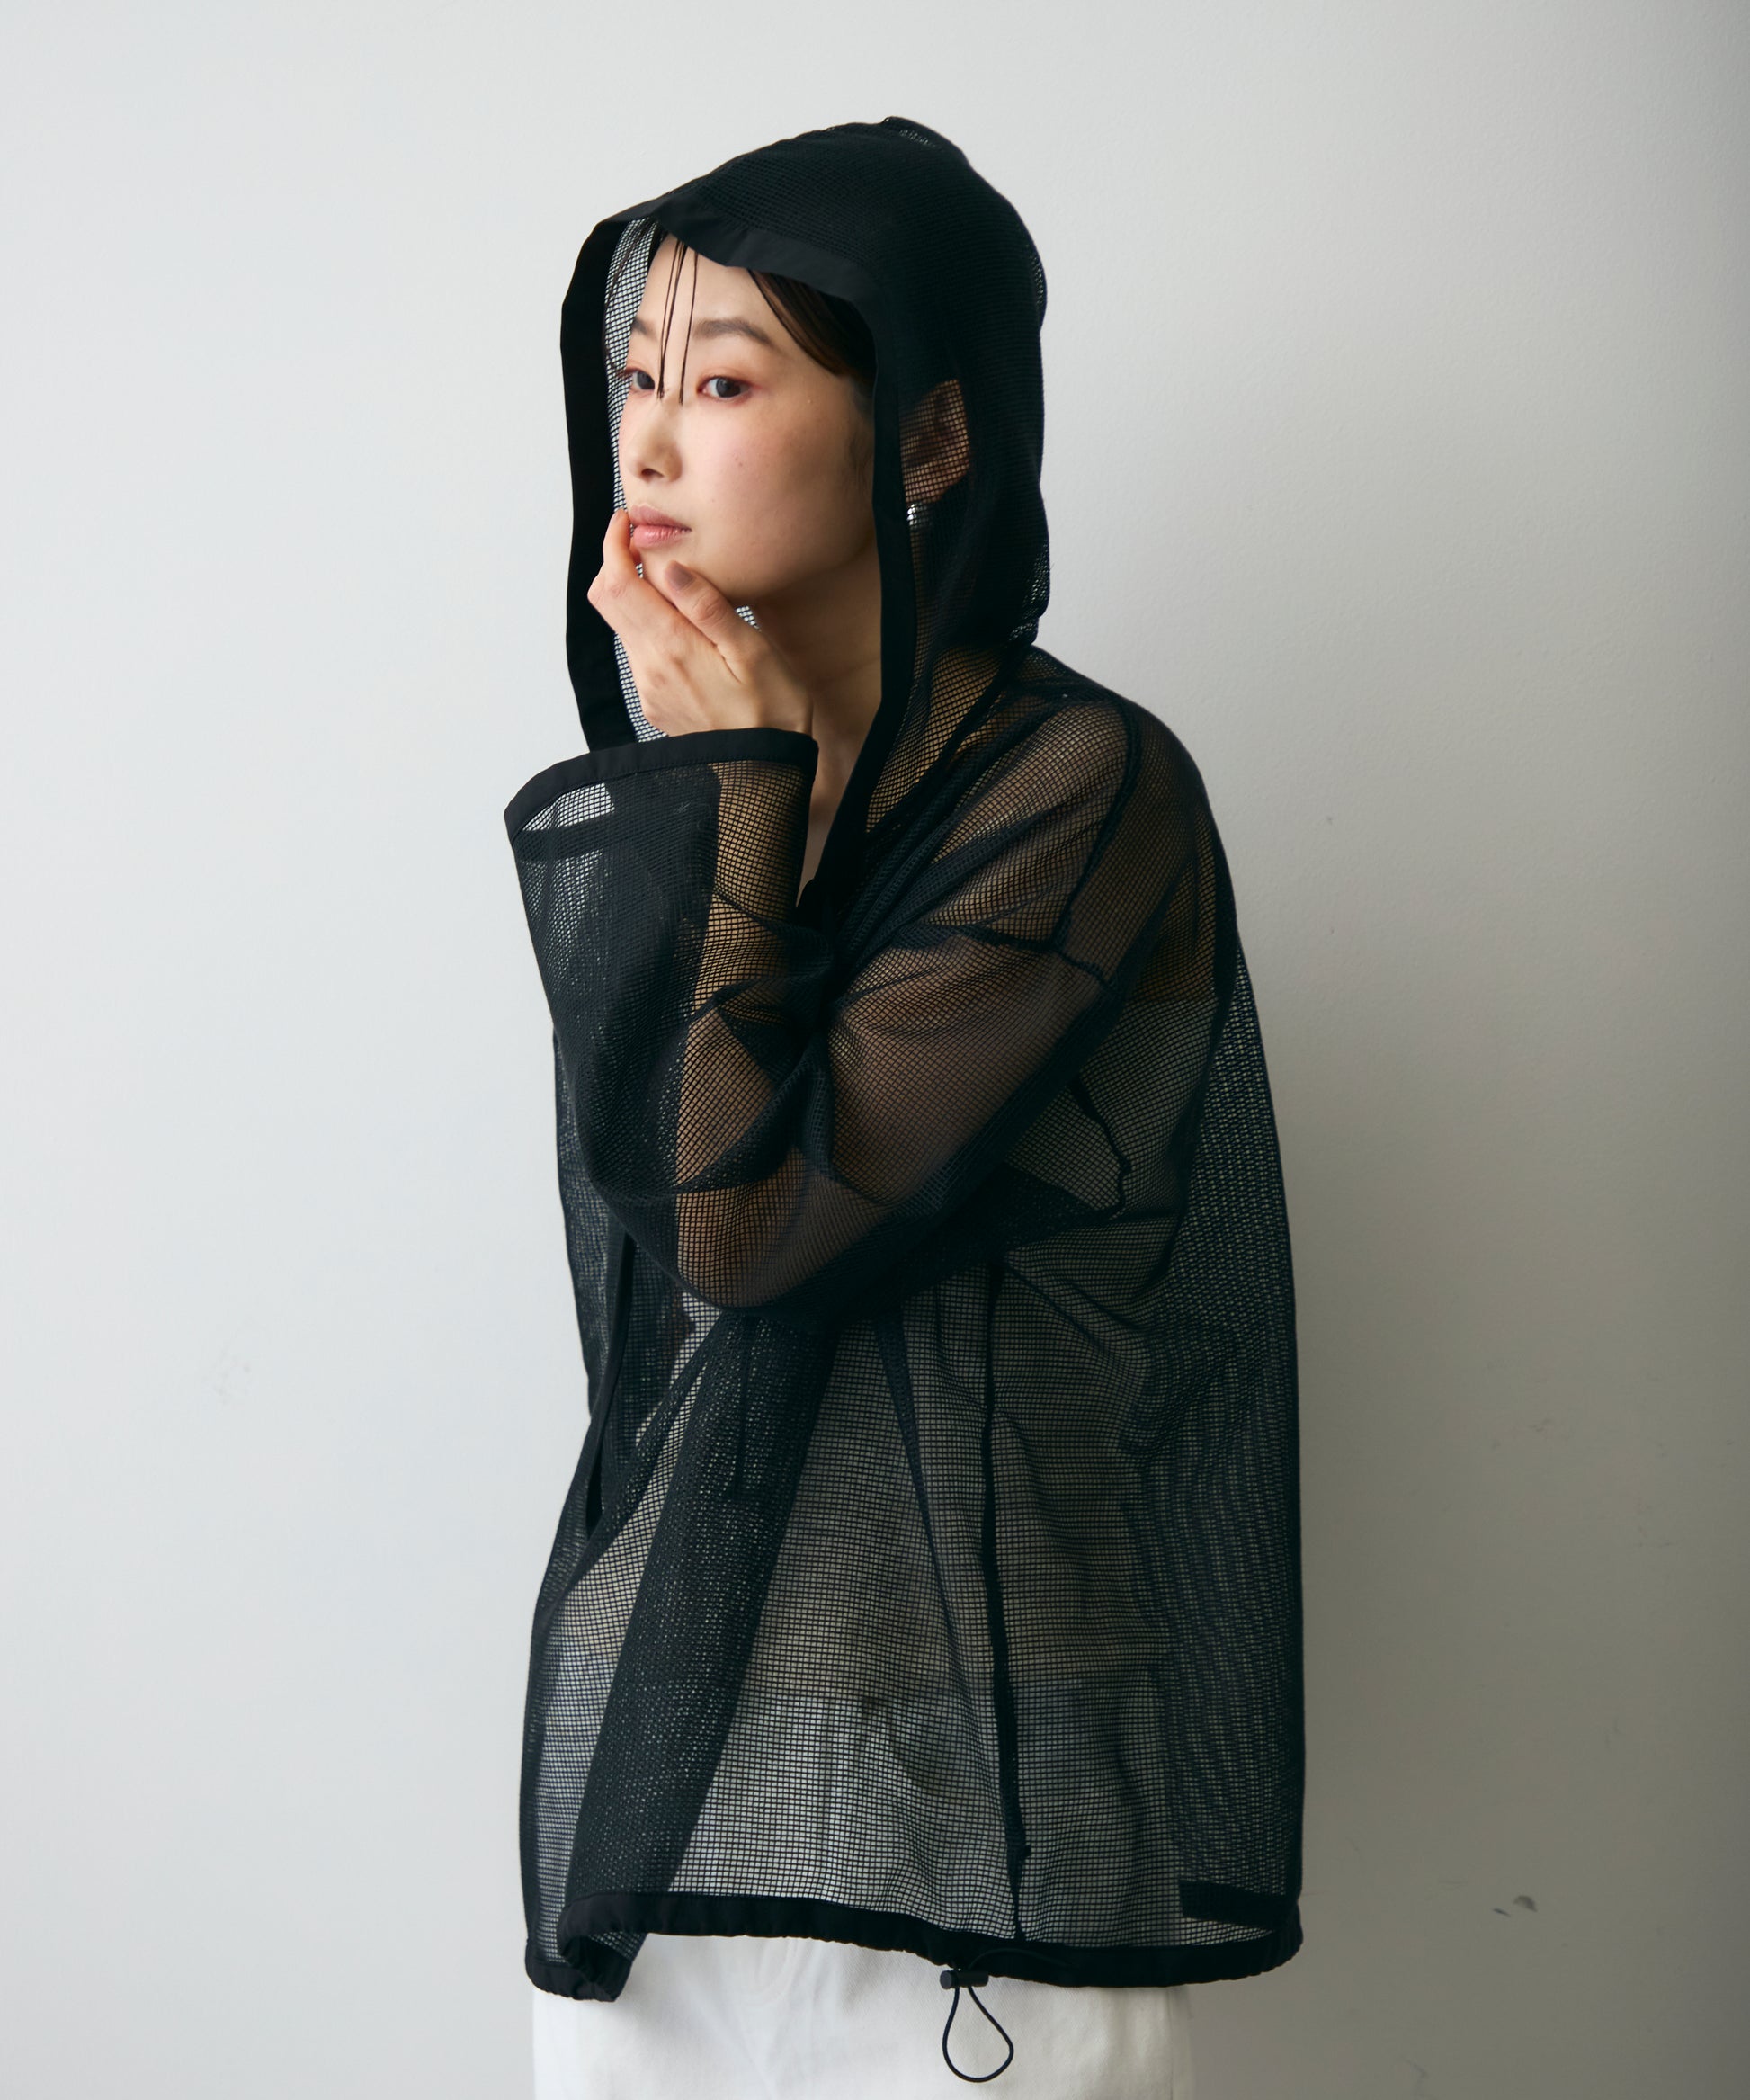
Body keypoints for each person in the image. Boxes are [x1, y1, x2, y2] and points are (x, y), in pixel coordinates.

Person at [505, 117, 1302, 2098]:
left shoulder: (1085, 787)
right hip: (659, 1765)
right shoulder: (687, 774)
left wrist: (731, 803)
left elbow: (750, 1227)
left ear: (933, 435)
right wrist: (724, 793)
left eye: (722, 382)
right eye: (632, 377)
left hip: (983, 1801)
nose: (646, 443)